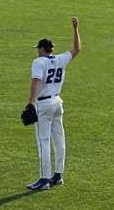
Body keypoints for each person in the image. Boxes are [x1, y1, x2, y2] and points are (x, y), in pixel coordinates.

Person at [27, 16, 82, 191]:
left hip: (44, 104)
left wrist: (30, 102)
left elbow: (36, 81)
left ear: (43, 49)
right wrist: (75, 28)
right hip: (58, 102)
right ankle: (58, 175)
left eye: (38, 49)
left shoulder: (39, 62)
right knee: (59, 139)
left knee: (43, 141)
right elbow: (77, 49)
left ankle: (44, 179)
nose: (37, 51)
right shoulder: (60, 59)